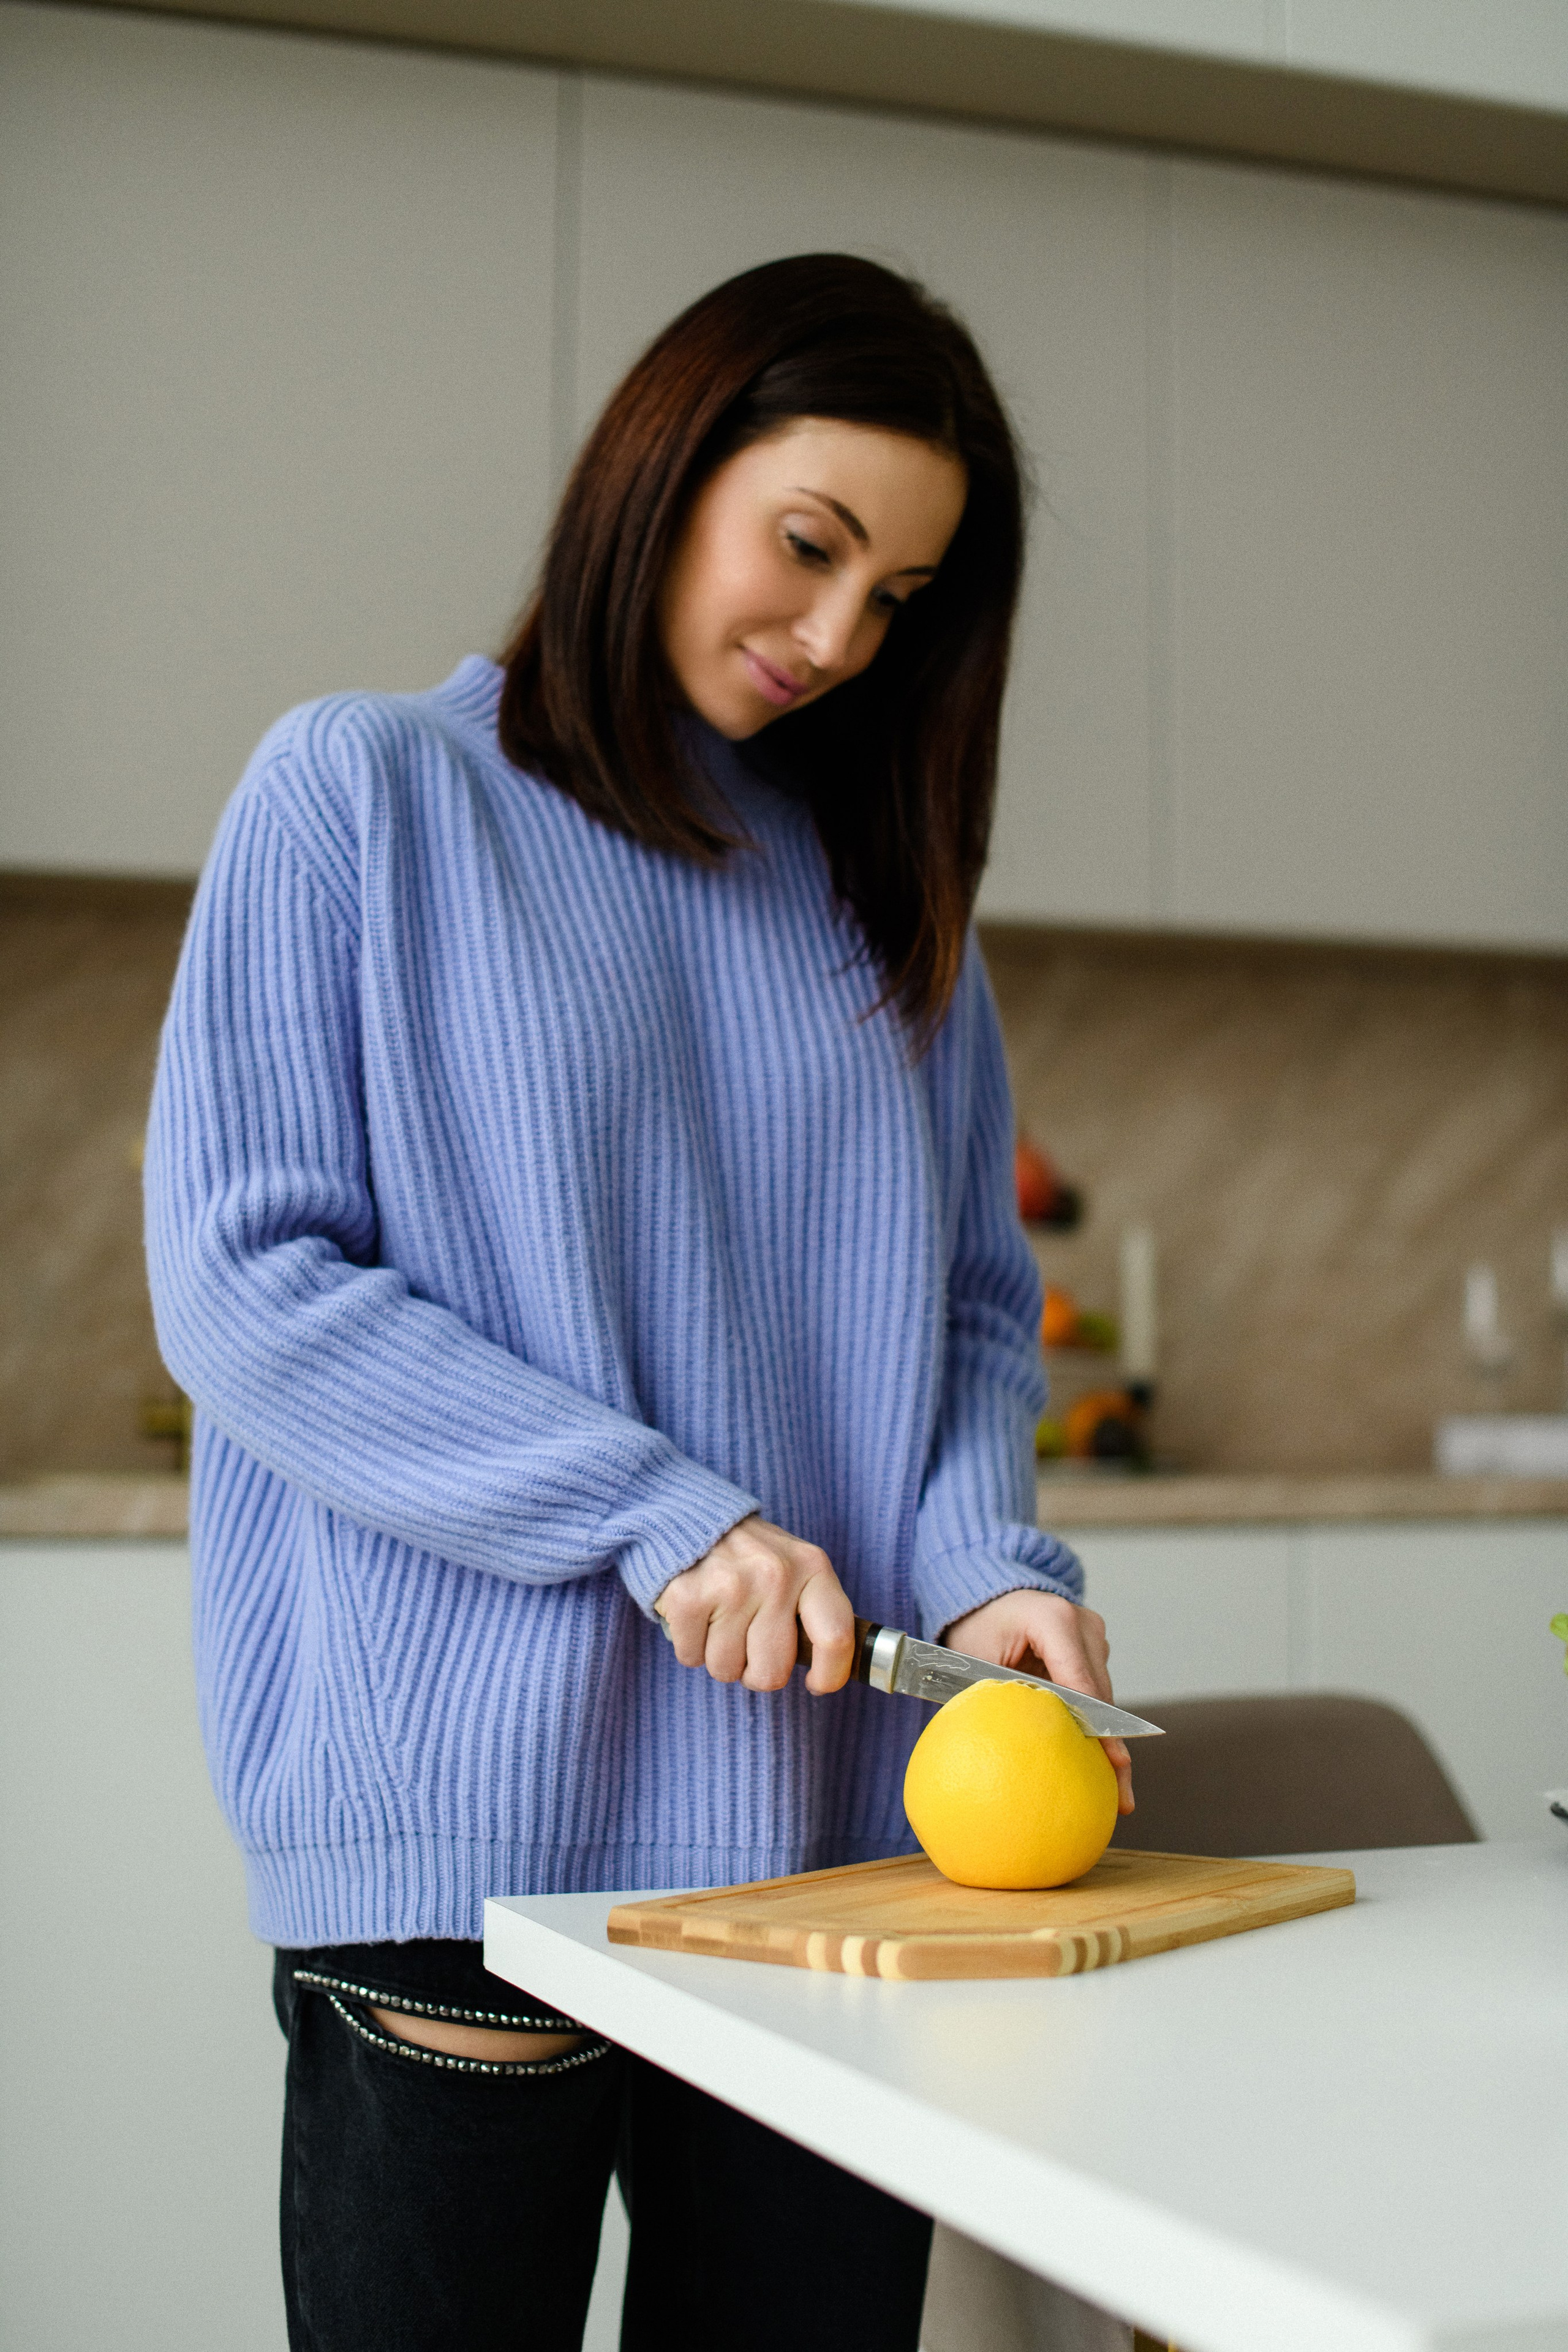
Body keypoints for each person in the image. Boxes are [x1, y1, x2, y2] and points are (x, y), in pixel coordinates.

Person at [145, 251, 1133, 2352]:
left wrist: (983, 1565)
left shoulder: (886, 905)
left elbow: (968, 1310)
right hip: (472, 1851)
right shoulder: (364, 796)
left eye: (904, 597)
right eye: (809, 546)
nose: (838, 635)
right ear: (662, 469)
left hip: (827, 1866)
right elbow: (246, 1281)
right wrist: (649, 1509)